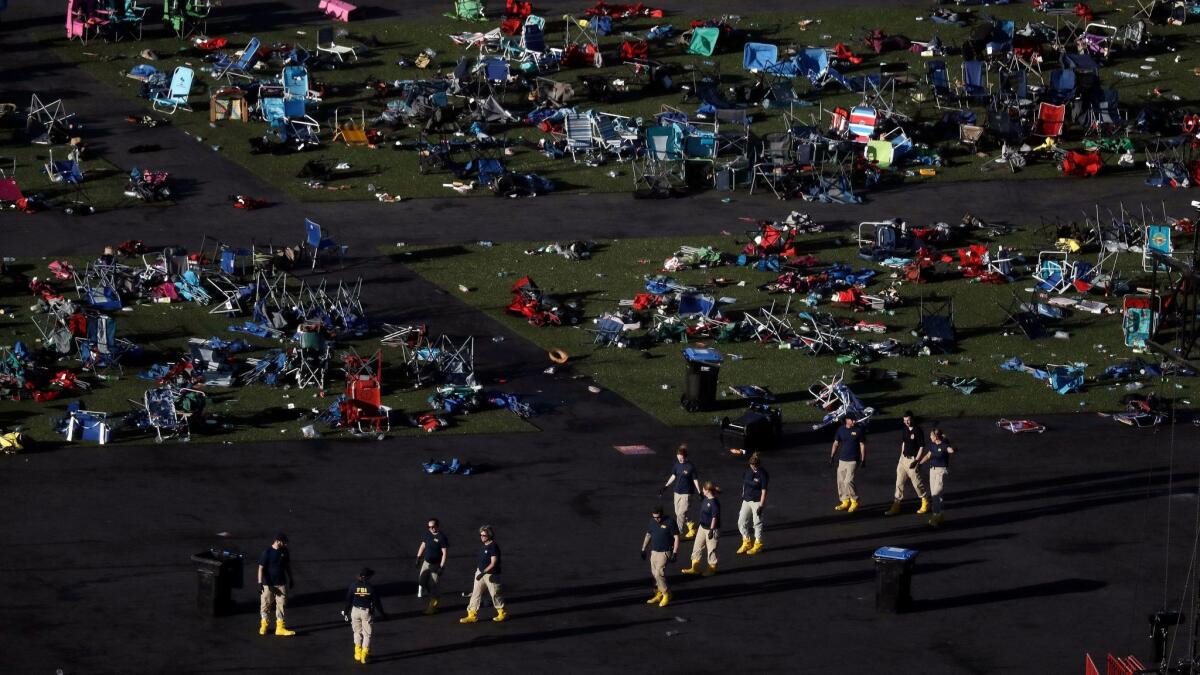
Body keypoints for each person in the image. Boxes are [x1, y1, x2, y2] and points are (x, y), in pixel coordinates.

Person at [885, 411, 930, 517]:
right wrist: (901, 456)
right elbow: (904, 443)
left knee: (916, 483)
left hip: (913, 460)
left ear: (912, 419)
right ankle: (896, 504)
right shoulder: (904, 429)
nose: (907, 422)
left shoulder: (918, 431)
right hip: (903, 459)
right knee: (899, 483)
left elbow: (921, 447)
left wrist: (917, 461)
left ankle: (925, 501)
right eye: (905, 420)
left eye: (908, 420)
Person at [460, 525, 507, 624]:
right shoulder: (483, 545)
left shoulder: (493, 546)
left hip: (491, 575)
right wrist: (478, 571)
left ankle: (502, 613)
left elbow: (493, 563)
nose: (482, 537)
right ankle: (472, 615)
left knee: (495, 594)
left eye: (484, 535)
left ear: (489, 535)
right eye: (481, 535)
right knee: (475, 593)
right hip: (480, 573)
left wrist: (484, 572)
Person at [342, 567, 388, 664]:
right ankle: (364, 655)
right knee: (367, 634)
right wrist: (383, 614)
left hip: (355, 611)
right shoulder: (371, 588)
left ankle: (357, 653)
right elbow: (377, 603)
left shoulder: (353, 586)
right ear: (368, 577)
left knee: (357, 632)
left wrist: (346, 612)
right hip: (366, 612)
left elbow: (348, 600)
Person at [641, 505, 680, 607]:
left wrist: (675, 552)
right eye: (654, 517)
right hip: (654, 552)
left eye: (658, 517)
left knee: (659, 574)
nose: (656, 519)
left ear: (662, 515)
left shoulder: (670, 522)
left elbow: (676, 537)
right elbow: (648, 534)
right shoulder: (652, 522)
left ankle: (666, 594)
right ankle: (658, 594)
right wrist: (643, 548)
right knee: (654, 575)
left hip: (665, 552)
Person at [257, 533, 295, 636]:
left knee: (281, 605)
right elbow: (261, 568)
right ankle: (264, 625)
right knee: (265, 605)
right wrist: (260, 583)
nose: (286, 544)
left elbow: (287, 566)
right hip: (268, 585)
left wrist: (291, 578)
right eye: (284, 542)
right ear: (278, 541)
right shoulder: (267, 552)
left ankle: (280, 628)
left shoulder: (285, 551)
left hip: (281, 584)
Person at [660, 445, 702, 540]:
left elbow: (695, 479)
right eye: (679, 458)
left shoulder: (690, 466)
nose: (680, 460)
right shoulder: (677, 465)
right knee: (678, 513)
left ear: (685, 457)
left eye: (682, 458)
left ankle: (677, 533)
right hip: (677, 492)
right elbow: (674, 476)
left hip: (686, 493)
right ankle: (691, 526)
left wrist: (700, 492)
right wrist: (665, 486)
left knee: (681, 514)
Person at [681, 482, 720, 577]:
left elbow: (714, 517)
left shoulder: (714, 503)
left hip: (711, 529)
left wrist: (711, 530)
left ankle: (712, 569)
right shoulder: (706, 499)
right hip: (702, 527)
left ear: (708, 491)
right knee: (697, 547)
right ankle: (695, 568)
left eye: (703, 489)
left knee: (711, 550)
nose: (702, 491)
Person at [921, 428, 956, 527]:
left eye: (931, 435)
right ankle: (940, 515)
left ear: (936, 436)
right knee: (935, 494)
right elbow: (928, 455)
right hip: (932, 470)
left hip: (941, 471)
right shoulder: (932, 445)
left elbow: (950, 450)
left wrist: (953, 449)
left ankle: (935, 516)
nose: (930, 437)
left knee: (936, 494)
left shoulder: (944, 445)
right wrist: (919, 463)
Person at [830, 417, 866, 513]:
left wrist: (863, 459)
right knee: (841, 481)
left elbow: (862, 445)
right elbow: (835, 443)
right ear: (847, 420)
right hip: (842, 460)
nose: (854, 421)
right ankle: (845, 501)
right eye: (852, 420)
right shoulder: (841, 429)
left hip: (853, 460)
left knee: (848, 481)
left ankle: (854, 501)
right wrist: (832, 456)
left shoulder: (858, 430)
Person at [414, 518, 449, 615]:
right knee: (421, 581)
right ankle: (434, 594)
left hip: (436, 564)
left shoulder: (442, 537)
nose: (431, 528)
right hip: (426, 562)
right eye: (429, 527)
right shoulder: (427, 534)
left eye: (433, 526)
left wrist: (441, 567)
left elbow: (444, 553)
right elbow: (423, 545)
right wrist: (418, 557)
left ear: (437, 526)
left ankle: (432, 607)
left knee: (434, 585)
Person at [736, 452, 769, 556]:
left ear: (758, 464)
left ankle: (758, 544)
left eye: (754, 465)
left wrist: (761, 506)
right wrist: (743, 493)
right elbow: (744, 483)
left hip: (757, 501)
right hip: (746, 500)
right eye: (751, 465)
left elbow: (764, 491)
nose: (753, 467)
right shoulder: (747, 471)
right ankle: (746, 541)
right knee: (741, 521)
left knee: (757, 523)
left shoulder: (763, 474)